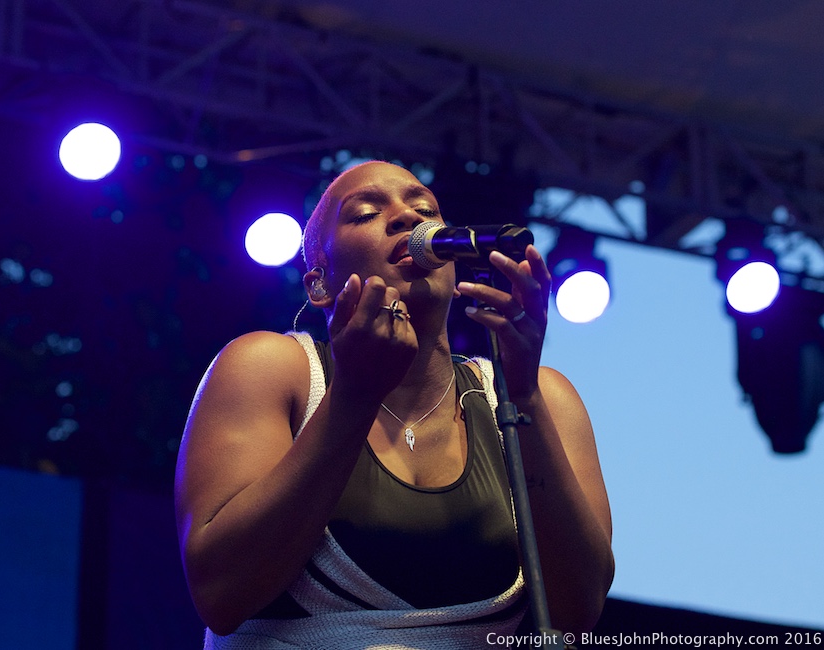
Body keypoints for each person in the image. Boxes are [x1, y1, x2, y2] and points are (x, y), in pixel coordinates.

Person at [174, 160, 614, 649]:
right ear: (319, 283)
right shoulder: (270, 367)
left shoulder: (541, 395)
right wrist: (354, 396)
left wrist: (524, 396)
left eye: (425, 209)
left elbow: (577, 614)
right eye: (365, 213)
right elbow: (220, 594)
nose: (408, 217)